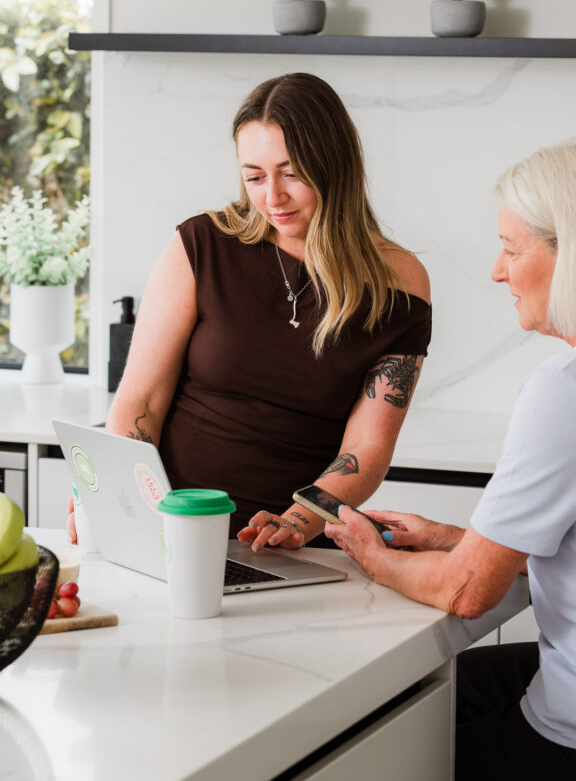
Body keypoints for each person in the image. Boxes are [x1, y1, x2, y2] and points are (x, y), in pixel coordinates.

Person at [326, 137, 576, 777]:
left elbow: (467, 592)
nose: (497, 272)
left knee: (377, 748)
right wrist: (455, 539)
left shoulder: (573, 389)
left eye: (511, 249)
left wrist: (371, 555)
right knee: (443, 687)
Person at [69, 72, 430, 551]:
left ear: (335, 165)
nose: (272, 197)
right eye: (255, 176)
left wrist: (297, 522)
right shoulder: (201, 245)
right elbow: (142, 402)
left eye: (292, 173)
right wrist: (120, 498)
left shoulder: (398, 283)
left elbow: (367, 447)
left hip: (298, 547)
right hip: (171, 532)